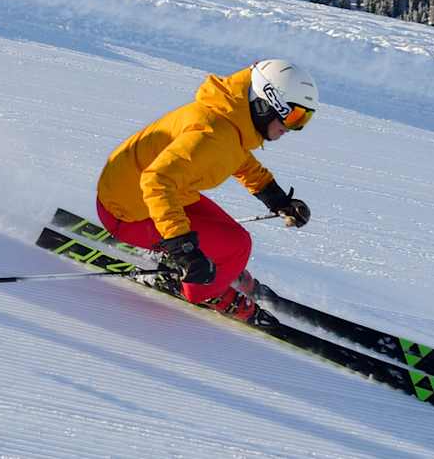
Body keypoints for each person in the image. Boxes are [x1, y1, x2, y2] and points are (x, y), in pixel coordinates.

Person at [95, 60, 317, 321]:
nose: (293, 128)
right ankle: (204, 292)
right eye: (294, 116)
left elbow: (236, 157)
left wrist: (275, 197)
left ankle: (218, 270)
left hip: (141, 192)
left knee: (232, 236)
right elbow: (155, 181)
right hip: (127, 211)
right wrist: (183, 249)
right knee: (238, 245)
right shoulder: (212, 133)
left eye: (304, 119)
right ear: (267, 101)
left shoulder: (230, 119)